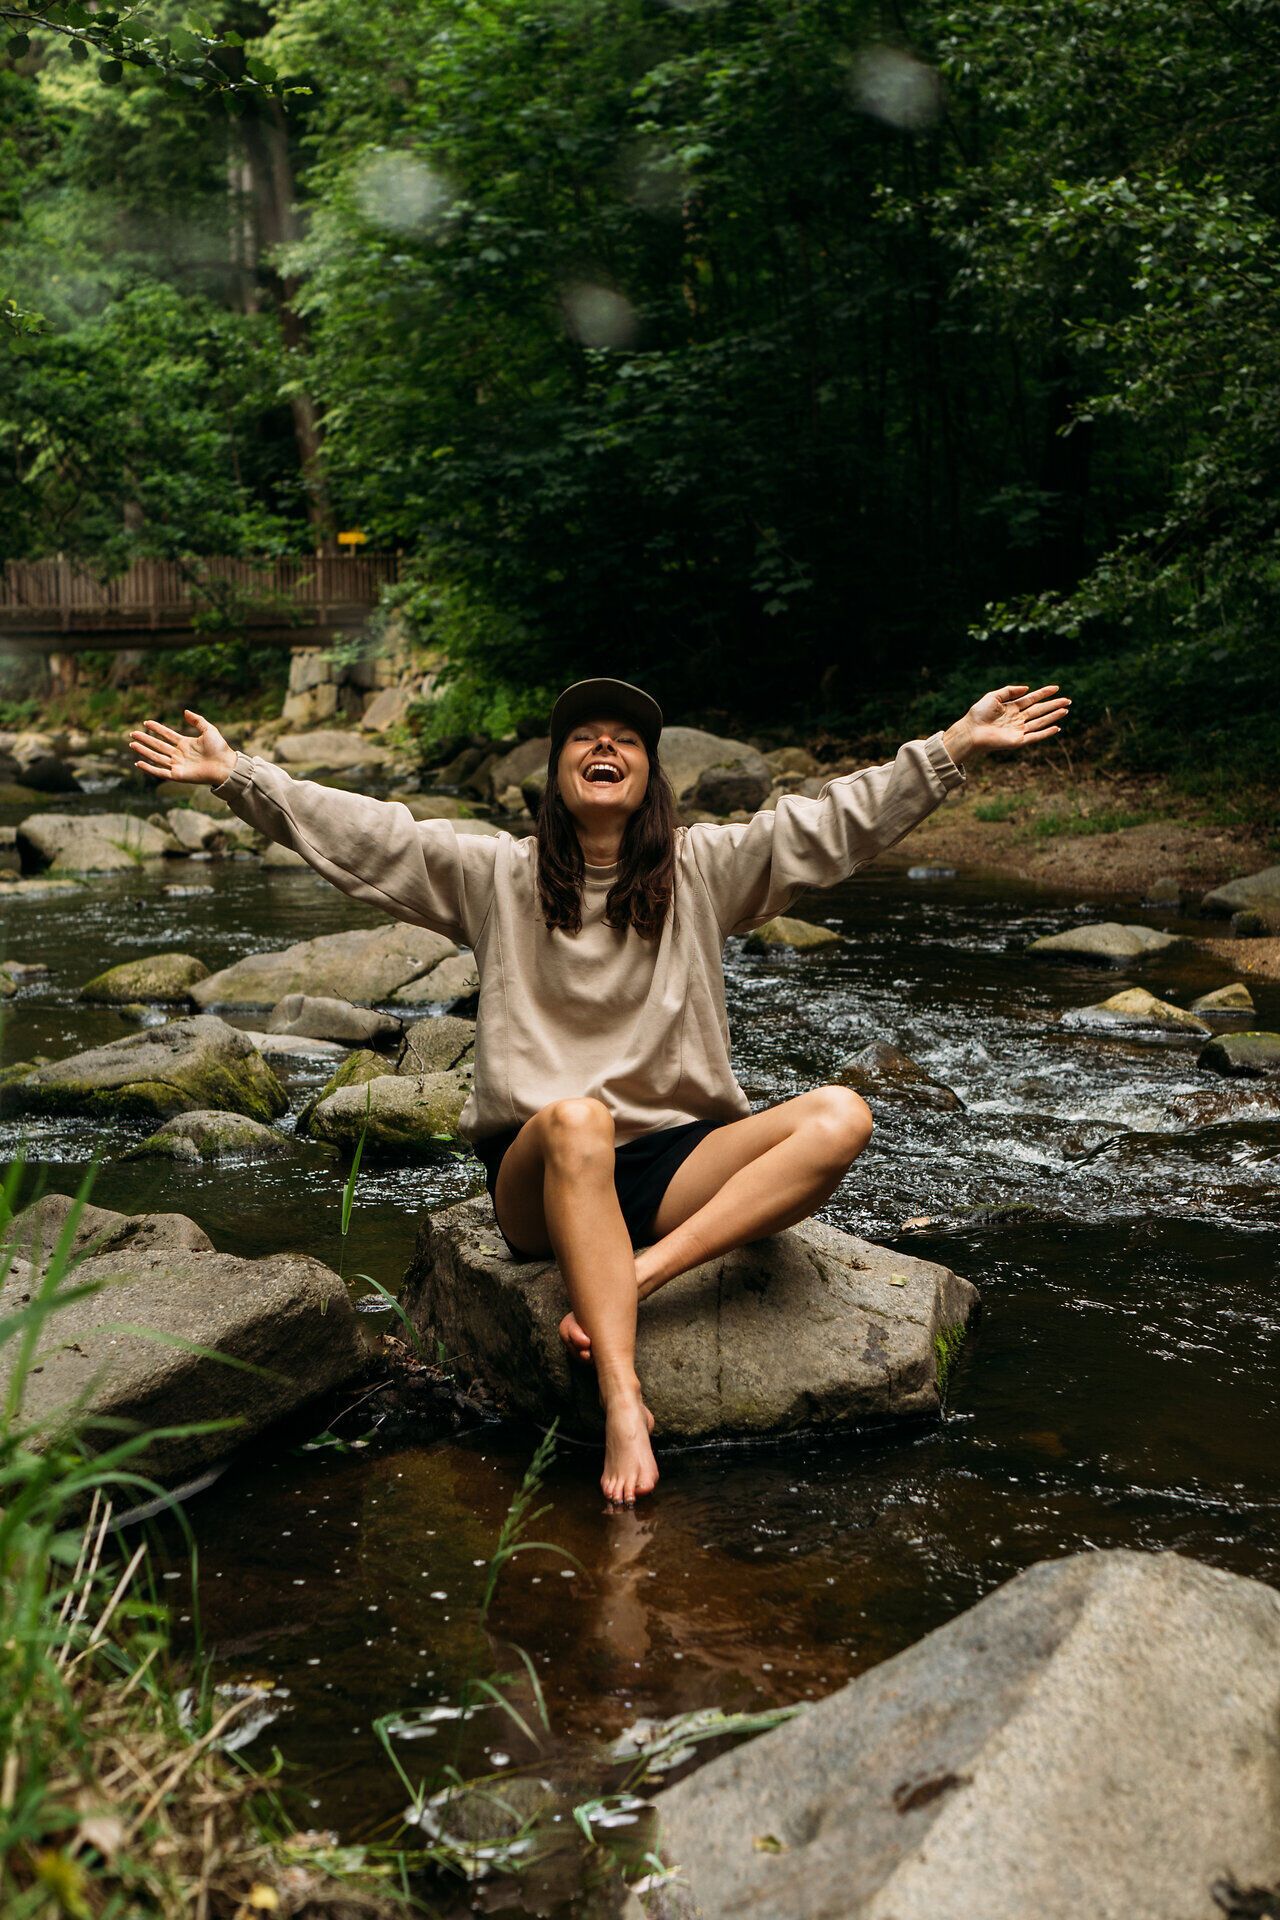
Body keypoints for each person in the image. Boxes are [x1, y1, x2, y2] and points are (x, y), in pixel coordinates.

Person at [129, 676, 1070, 1507]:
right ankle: (624, 1396)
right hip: (542, 1169)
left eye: (625, 736)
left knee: (842, 1113)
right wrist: (239, 776)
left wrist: (951, 748)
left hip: (674, 1162)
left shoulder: (704, 868)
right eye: (584, 735)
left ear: (651, 775)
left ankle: (641, 1273)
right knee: (579, 1118)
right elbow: (372, 835)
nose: (605, 745)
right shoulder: (496, 873)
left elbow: (827, 825)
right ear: (559, 773)